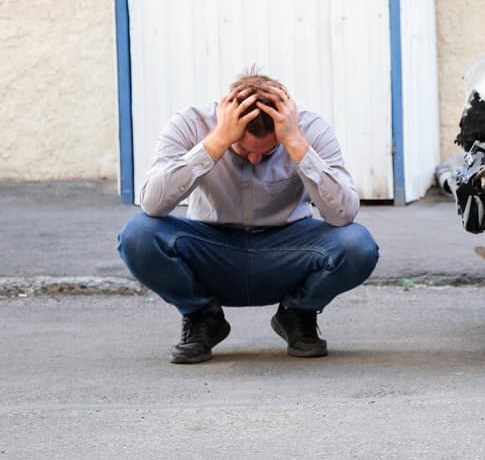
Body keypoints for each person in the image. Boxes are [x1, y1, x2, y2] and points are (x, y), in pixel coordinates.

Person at [117, 69, 379, 363]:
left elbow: (343, 213)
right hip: (212, 249)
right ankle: (202, 316)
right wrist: (216, 142)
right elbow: (151, 204)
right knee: (138, 234)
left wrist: (295, 143)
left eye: (267, 153)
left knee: (357, 244)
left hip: (289, 251)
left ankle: (298, 314)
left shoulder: (309, 128)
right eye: (243, 148)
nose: (254, 159)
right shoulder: (191, 124)